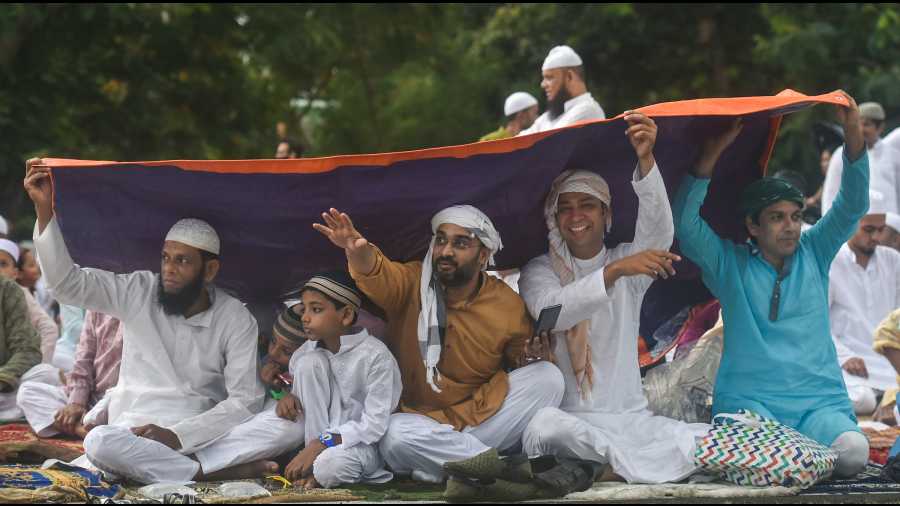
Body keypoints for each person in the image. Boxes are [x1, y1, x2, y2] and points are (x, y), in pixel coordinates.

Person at [25, 158, 264, 484]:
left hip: (197, 435)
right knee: (99, 441)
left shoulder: (235, 317)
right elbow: (67, 285)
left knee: (284, 425)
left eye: (182, 261)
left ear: (209, 271)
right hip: (130, 428)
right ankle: (204, 473)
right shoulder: (139, 290)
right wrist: (44, 211)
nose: (169, 269)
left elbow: (245, 399)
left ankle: (166, 468)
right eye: (166, 258)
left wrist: (177, 435)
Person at [672, 90, 870, 478]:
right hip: (752, 407)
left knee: (854, 453)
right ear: (752, 225)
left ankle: (795, 460)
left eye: (796, 216)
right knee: (747, 445)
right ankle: (797, 460)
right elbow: (685, 223)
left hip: (817, 406)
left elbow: (852, 205)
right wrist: (711, 154)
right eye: (777, 217)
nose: (791, 226)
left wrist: (853, 131)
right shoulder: (729, 264)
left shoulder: (815, 251)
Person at [516, 111, 711, 486]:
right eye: (566, 207)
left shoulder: (626, 260)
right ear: (554, 218)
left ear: (605, 214)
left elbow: (658, 234)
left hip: (629, 418)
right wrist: (613, 273)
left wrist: (646, 158)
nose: (576, 215)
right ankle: (610, 465)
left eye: (587, 205)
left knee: (699, 437)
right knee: (543, 427)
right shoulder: (539, 270)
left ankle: (602, 468)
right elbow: (551, 312)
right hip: (571, 419)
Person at [313, 205, 564, 485]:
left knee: (549, 377)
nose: (445, 251)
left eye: (460, 243)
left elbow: (519, 358)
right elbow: (378, 273)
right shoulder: (411, 283)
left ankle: (445, 467)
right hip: (417, 422)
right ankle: (498, 469)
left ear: (483, 256)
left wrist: (532, 356)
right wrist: (357, 251)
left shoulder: (507, 304)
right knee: (394, 435)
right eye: (441, 240)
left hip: (479, 418)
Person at [275, 271, 402, 489]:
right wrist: (287, 396)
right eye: (304, 308)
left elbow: (373, 426)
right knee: (309, 363)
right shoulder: (304, 354)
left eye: (316, 310)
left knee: (329, 467)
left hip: (360, 446)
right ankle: (309, 467)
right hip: (311, 446)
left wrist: (322, 444)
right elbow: (298, 390)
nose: (305, 317)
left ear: (345, 316)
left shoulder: (376, 356)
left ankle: (316, 470)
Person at [830, 192, 900, 415]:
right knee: (863, 400)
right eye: (869, 229)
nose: (877, 237)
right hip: (851, 360)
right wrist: (844, 356)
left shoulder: (892, 260)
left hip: (888, 359)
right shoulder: (831, 261)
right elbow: (816, 320)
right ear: (851, 223)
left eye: (881, 230)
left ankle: (888, 403)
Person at [17, 310, 123, 438]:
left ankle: (87, 430)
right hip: (91, 397)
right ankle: (81, 430)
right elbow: (84, 357)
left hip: (118, 400)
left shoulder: (141, 304)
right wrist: (77, 402)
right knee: (27, 391)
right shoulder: (96, 305)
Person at [822, 101, 899, 216]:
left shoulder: (893, 155)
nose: (861, 129)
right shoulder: (841, 155)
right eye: (857, 124)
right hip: (855, 228)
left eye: (866, 124)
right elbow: (830, 195)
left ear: (880, 128)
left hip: (889, 227)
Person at [519, 45, 605, 136]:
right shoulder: (547, 117)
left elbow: (551, 144)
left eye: (549, 77)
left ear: (569, 77)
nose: (543, 84)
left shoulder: (588, 111)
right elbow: (519, 140)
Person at [0, 240, 58, 363]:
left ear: (15, 273)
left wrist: (37, 363)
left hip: (14, 367)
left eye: (2, 264)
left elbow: (49, 329)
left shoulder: (20, 293)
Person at [0, 276, 43, 420]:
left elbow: (28, 349)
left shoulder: (7, 289)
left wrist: (3, 378)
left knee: (45, 374)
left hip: (5, 389)